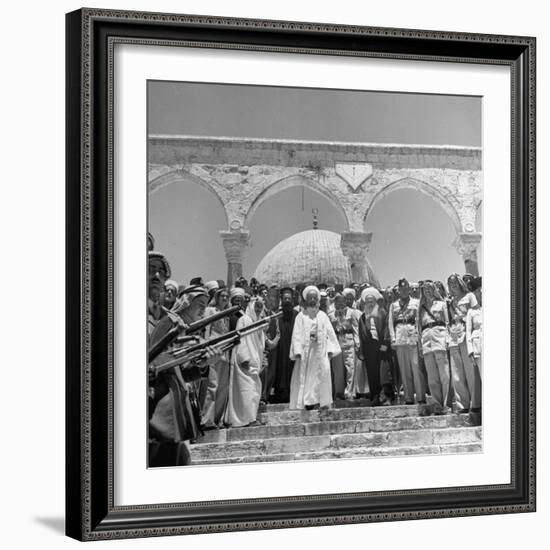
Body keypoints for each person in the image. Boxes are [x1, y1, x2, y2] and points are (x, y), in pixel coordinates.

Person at [147, 252, 202, 467]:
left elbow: (181, 369)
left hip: (177, 419)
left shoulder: (172, 321)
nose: (157, 276)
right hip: (150, 418)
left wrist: (201, 364)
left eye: (161, 272)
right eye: (151, 270)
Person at [289, 285, 341, 410]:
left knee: (321, 375)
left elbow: (330, 334)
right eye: (310, 298)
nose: (312, 300)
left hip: (320, 352)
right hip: (306, 353)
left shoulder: (323, 315)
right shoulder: (300, 316)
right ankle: (307, 402)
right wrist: (297, 351)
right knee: (307, 378)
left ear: (317, 299)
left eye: (314, 298)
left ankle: (320, 402)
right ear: (306, 300)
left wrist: (330, 350)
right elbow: (296, 334)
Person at [224, 288, 265, 427]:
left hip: (254, 363)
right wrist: (245, 359)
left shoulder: (258, 322)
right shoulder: (244, 319)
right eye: (256, 306)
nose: (258, 309)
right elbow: (241, 340)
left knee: (253, 391)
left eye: (261, 307)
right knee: (246, 391)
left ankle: (251, 418)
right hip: (245, 363)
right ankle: (247, 419)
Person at [388, 278, 426, 405]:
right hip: (400, 338)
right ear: (398, 291)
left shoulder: (416, 302)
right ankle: (409, 397)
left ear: (409, 289)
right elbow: (390, 323)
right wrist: (393, 338)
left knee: (417, 368)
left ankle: (420, 397)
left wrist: (419, 337)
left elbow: (418, 321)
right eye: (401, 289)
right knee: (404, 370)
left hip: (412, 337)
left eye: (406, 289)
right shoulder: (393, 305)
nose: (404, 291)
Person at [447, 273, 479, 413]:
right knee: (457, 373)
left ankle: (477, 403)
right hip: (454, 335)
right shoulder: (449, 301)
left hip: (466, 333)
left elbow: (476, 314)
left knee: (470, 371)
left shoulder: (470, 296)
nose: (453, 285)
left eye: (455, 282)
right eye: (450, 283)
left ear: (460, 283)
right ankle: (462, 405)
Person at [417, 281, 451, 413]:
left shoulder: (442, 305)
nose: (428, 291)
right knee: (432, 377)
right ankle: (437, 404)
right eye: (425, 290)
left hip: (440, 338)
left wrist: (447, 339)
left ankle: (446, 403)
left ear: (434, 290)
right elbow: (418, 327)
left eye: (430, 289)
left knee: (444, 374)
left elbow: (447, 322)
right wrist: (420, 345)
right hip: (426, 341)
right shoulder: (421, 308)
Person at [200, 287, 231, 430]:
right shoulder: (210, 311)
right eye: (222, 296)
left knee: (223, 388)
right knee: (212, 386)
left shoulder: (226, 315)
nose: (224, 298)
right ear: (217, 297)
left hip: (224, 353)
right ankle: (207, 419)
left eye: (226, 296)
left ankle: (217, 419)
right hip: (212, 351)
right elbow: (206, 330)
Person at [357, 287, 387, 405]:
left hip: (381, 347)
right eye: (367, 301)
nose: (370, 303)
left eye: (372, 301)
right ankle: (374, 396)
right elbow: (361, 333)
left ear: (375, 302)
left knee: (383, 372)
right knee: (371, 372)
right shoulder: (362, 317)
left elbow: (386, 329)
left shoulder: (382, 312)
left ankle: (384, 396)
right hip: (369, 349)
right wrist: (362, 351)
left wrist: (385, 344)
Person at [329, 293, 360, 400]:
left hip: (349, 341)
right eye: (338, 303)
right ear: (335, 303)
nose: (340, 305)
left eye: (342, 302)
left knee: (351, 367)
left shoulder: (352, 313)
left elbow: (356, 329)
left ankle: (350, 392)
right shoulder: (331, 315)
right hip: (336, 343)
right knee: (337, 370)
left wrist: (357, 343)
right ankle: (339, 392)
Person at [273, 287, 298, 403]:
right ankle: (280, 393)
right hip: (281, 349)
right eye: (285, 299)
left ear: (292, 300)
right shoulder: (277, 317)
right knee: (280, 369)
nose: (287, 301)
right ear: (281, 300)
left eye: (289, 298)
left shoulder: (298, 316)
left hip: (294, 348)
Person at [465, 277, 483, 425]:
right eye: (478, 291)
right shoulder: (472, 311)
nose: (481, 293)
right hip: (478, 349)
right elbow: (468, 331)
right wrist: (470, 351)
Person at [261, 288, 281, 404]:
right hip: (263, 348)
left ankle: (266, 396)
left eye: (275, 298)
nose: (273, 300)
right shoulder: (260, 312)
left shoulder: (274, 315)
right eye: (271, 297)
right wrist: (268, 342)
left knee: (271, 373)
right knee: (264, 370)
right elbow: (260, 331)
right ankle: (261, 397)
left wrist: (275, 342)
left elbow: (278, 331)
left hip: (273, 348)